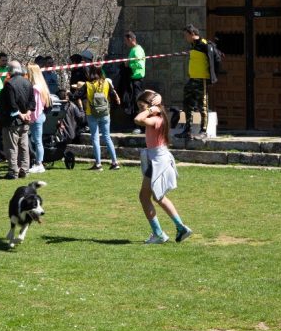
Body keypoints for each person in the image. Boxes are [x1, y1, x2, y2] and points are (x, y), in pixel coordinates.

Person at [133, 90, 192, 244]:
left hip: (157, 161)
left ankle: (159, 234)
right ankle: (181, 227)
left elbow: (138, 119)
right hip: (157, 158)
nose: (141, 110)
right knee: (158, 197)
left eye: (142, 106)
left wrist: (152, 108)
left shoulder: (156, 119)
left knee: (144, 197)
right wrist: (157, 100)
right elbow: (152, 94)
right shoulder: (159, 117)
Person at [180, 24, 217, 141]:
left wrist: (212, 77)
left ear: (192, 34)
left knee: (203, 105)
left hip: (202, 80)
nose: (185, 38)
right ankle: (187, 130)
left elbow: (214, 60)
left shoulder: (204, 44)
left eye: (186, 35)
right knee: (187, 104)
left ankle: (203, 131)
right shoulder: (193, 45)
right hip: (192, 79)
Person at [0, 61, 33, 180]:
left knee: (11, 147)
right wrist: (27, 113)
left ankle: (13, 171)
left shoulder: (9, 84)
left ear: (10, 71)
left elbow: (12, 104)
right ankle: (24, 170)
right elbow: (32, 102)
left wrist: (20, 115)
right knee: (24, 147)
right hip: (25, 122)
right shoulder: (28, 82)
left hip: (12, 121)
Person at [85, 66, 121, 171]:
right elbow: (113, 95)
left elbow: (76, 95)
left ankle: (98, 164)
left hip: (91, 113)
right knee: (107, 137)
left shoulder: (88, 85)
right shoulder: (106, 83)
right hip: (105, 113)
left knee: (95, 138)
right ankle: (115, 162)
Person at [26, 63, 51, 174]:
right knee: (37, 140)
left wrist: (32, 118)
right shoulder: (42, 87)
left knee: (37, 141)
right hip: (40, 116)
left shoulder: (35, 88)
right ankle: (37, 162)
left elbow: (35, 106)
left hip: (36, 117)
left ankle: (39, 163)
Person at [123, 31, 146, 119]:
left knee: (138, 100)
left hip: (137, 79)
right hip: (133, 78)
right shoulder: (133, 50)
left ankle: (139, 124)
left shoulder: (137, 50)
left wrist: (129, 64)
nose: (126, 43)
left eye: (126, 41)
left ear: (130, 39)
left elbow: (140, 64)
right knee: (132, 100)